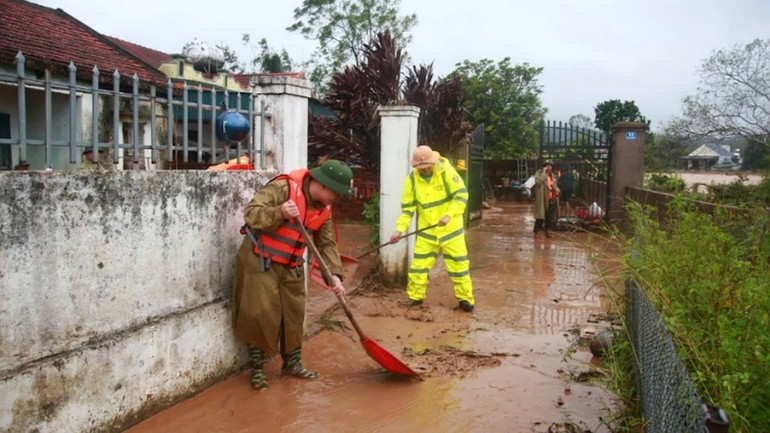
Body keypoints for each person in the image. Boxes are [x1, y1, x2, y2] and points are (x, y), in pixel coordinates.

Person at [232, 159, 353, 390]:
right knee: (260, 313)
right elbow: (251, 214)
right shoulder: (282, 189)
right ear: (323, 185)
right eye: (336, 193)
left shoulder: (324, 210)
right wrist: (280, 211)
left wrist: (334, 275)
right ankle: (257, 370)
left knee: (294, 313)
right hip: (260, 260)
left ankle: (292, 364)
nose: (337, 198)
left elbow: (326, 244)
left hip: (292, 264)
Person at [389, 145, 475, 312]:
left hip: (451, 229)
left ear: (433, 162)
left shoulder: (447, 172)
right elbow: (408, 209)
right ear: (415, 166)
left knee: (459, 265)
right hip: (427, 230)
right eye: (421, 168)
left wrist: (449, 215)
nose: (425, 170)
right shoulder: (412, 180)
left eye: (427, 167)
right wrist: (399, 230)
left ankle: (465, 299)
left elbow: (461, 196)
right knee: (419, 266)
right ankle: (415, 297)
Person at [533, 160, 560, 238]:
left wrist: (557, 190)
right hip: (543, 197)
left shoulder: (552, 175)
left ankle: (547, 231)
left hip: (552, 197)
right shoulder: (539, 173)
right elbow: (538, 182)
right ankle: (537, 232)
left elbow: (554, 185)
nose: (549, 167)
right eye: (547, 165)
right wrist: (544, 173)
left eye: (550, 166)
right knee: (540, 216)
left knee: (549, 217)